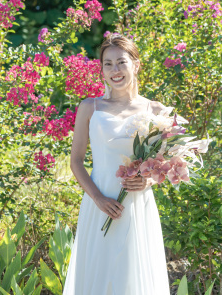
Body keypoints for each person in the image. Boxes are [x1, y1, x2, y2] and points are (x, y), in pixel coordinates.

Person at [63, 34, 170, 294]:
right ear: (101, 70)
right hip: (99, 204)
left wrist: (148, 180)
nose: (115, 70)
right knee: (99, 276)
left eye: (121, 62)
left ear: (136, 64)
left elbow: (164, 167)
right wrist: (98, 199)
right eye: (107, 64)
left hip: (136, 205)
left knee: (132, 277)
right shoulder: (90, 107)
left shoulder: (155, 111)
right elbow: (76, 161)